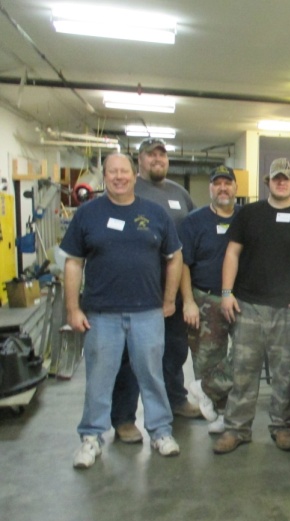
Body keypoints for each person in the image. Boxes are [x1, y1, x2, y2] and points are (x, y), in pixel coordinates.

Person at [61, 153, 183, 469]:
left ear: (133, 175)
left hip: (147, 312)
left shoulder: (155, 214)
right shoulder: (88, 214)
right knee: (99, 380)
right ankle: (91, 439)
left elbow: (175, 257)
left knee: (152, 376)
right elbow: (73, 263)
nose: (119, 177)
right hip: (101, 314)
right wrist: (73, 309)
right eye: (112, 172)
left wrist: (169, 300)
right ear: (104, 176)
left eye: (124, 171)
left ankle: (160, 432)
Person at [214, 158, 290, 454]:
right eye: (276, 177)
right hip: (248, 306)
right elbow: (232, 254)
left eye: (286, 178)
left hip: (288, 311)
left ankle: (282, 425)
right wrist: (227, 293)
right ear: (267, 182)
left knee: (286, 373)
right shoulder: (249, 214)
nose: (281, 182)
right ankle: (237, 428)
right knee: (242, 371)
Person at [111, 138, 199, 446]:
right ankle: (124, 417)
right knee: (132, 356)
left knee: (175, 349)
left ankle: (176, 399)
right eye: (151, 155)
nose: (157, 159)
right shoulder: (127, 190)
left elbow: (189, 240)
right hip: (137, 291)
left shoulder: (180, 194)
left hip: (173, 289)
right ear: (140, 160)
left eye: (162, 155)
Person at [179, 165, 240, 434]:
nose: (223, 188)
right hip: (204, 298)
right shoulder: (193, 221)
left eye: (228, 183)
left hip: (241, 299)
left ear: (236, 188)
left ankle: (217, 402)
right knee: (207, 361)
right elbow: (182, 264)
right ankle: (218, 414)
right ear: (210, 188)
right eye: (218, 184)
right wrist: (188, 301)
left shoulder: (245, 218)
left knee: (244, 357)